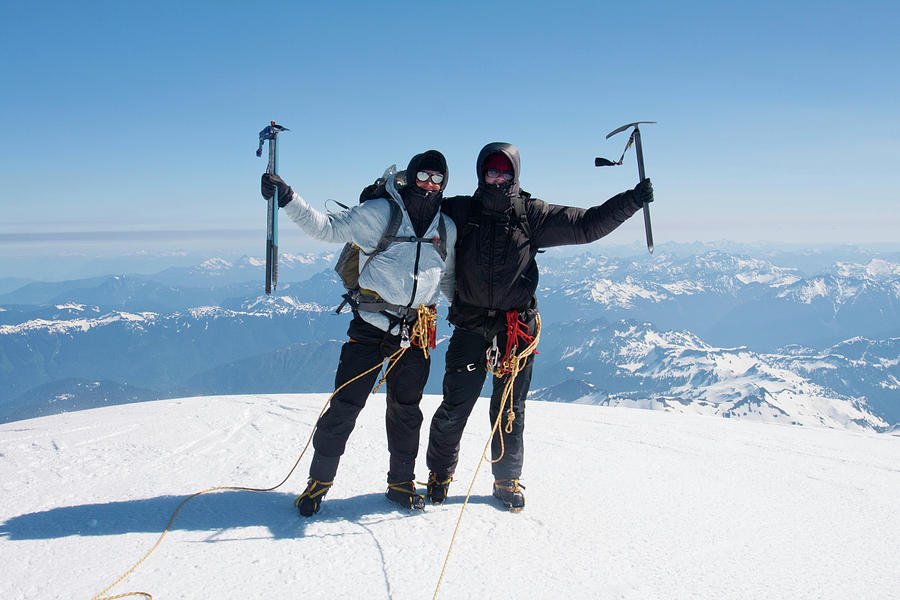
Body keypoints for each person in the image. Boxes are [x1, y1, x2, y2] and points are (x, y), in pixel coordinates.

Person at [424, 142, 653, 511]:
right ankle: (440, 474)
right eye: (491, 171)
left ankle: (506, 479)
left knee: (510, 407)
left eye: (504, 172)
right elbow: (420, 206)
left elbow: (587, 225)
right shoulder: (462, 210)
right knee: (455, 405)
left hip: (515, 329)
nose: (497, 177)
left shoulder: (531, 213)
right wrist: (382, 194)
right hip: (470, 326)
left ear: (515, 175)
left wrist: (631, 200)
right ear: (481, 172)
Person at [261, 150, 456, 516]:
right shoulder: (379, 214)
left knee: (407, 411)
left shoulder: (446, 227)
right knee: (345, 407)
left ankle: (401, 484)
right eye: (424, 176)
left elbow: (446, 277)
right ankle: (318, 484)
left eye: (438, 179)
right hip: (370, 328)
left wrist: (467, 313)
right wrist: (288, 198)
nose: (430, 185)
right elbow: (327, 228)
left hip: (416, 334)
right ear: (411, 176)